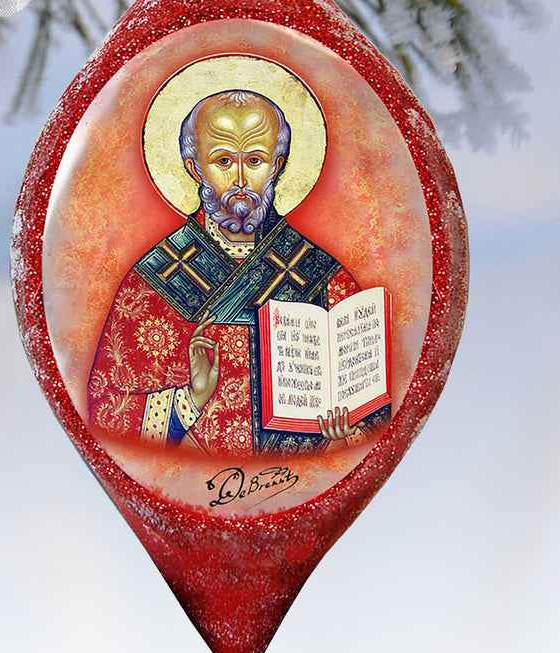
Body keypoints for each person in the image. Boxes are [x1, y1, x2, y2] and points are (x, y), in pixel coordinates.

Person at [86, 88, 390, 456]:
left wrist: (346, 434)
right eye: (224, 161)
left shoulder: (324, 275)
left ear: (278, 166)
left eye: (256, 160)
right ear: (194, 167)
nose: (241, 180)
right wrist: (190, 400)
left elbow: (381, 418)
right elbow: (105, 415)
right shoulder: (154, 281)